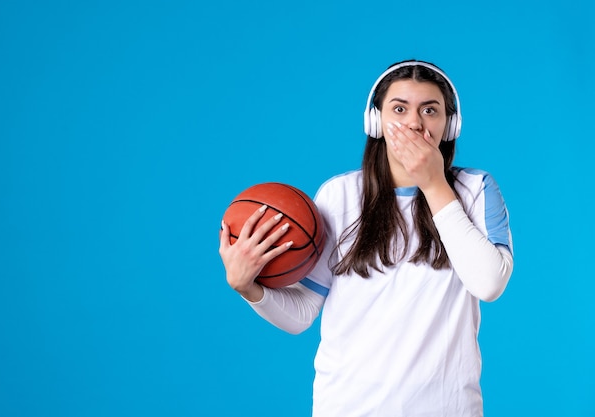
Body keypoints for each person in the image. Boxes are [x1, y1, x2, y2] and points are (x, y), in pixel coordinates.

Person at [219, 60, 514, 416]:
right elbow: (300, 316)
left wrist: (434, 183)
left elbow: (489, 284)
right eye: (400, 109)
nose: (415, 123)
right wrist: (248, 287)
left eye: (430, 110)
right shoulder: (338, 195)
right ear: (376, 121)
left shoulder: (475, 190)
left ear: (449, 125)